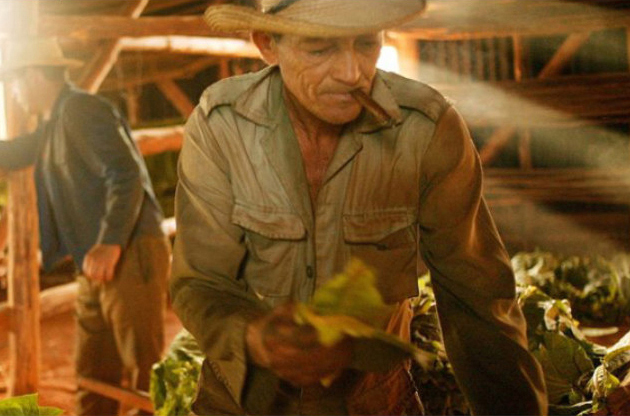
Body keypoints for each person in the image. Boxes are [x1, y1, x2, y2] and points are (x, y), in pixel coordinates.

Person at [170, 0, 548, 415]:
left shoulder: (425, 130)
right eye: (320, 49)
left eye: (367, 43)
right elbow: (200, 282)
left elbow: (477, 298)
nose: (352, 73)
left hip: (376, 403)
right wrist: (254, 336)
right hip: (237, 403)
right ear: (267, 44)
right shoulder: (220, 126)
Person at [0, 38, 169, 416]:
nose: (14, 94)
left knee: (146, 374)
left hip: (128, 251)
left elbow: (126, 173)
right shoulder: (53, 124)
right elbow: (13, 151)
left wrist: (110, 242)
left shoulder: (82, 109)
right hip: (95, 262)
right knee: (92, 374)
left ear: (32, 76)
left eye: (14, 83)